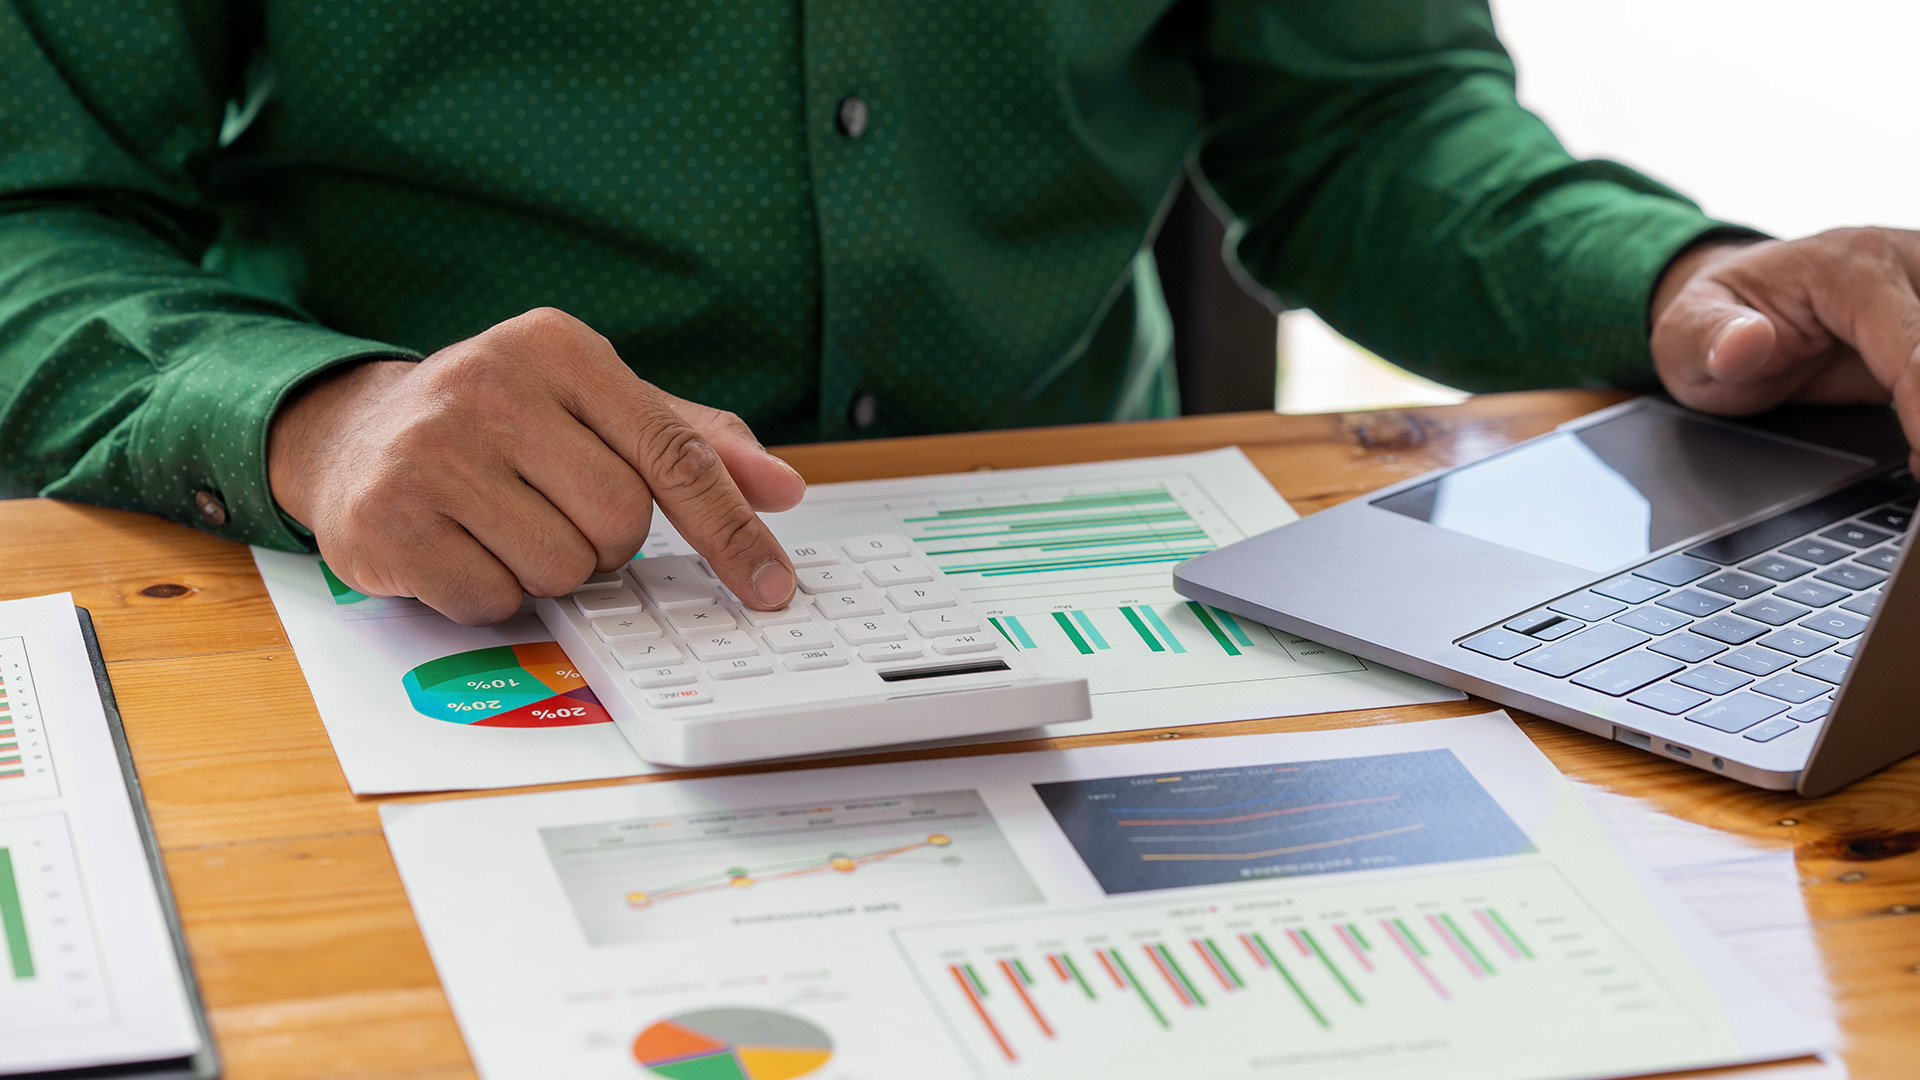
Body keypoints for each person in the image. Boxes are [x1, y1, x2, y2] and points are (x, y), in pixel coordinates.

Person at [2, 1, 1914, 626]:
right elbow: (28, 209)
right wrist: (316, 413)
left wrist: (1671, 283)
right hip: (399, 597)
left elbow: (1362, 115)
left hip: (1089, 591)